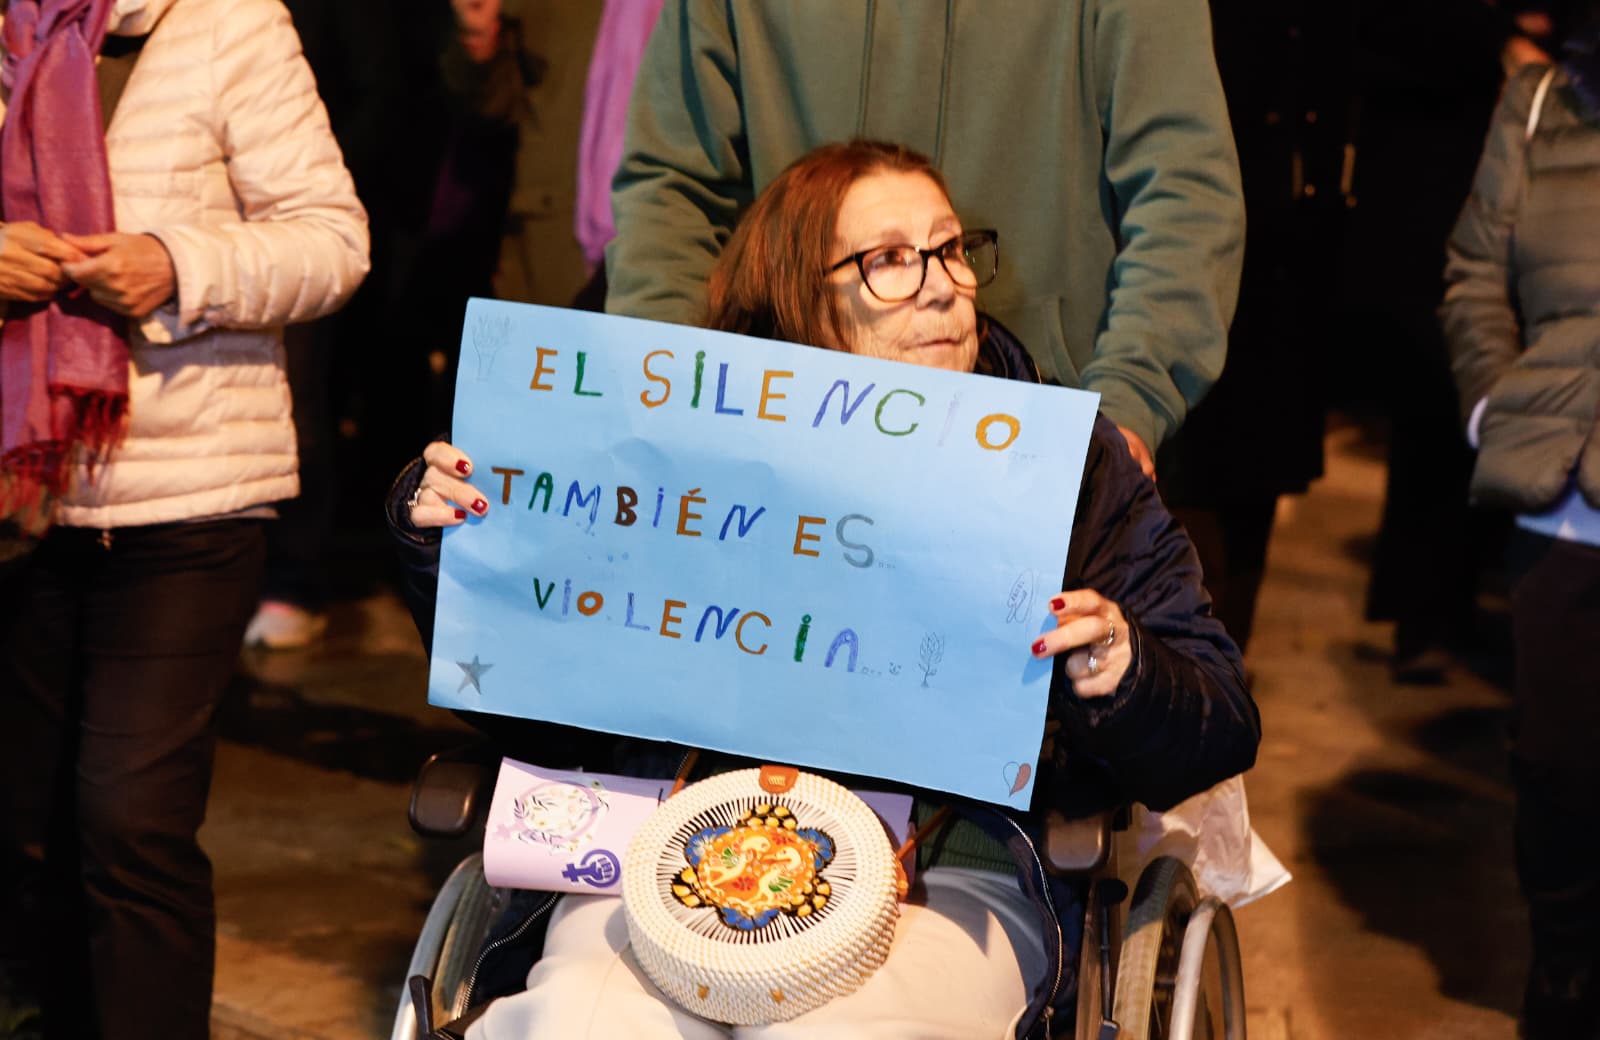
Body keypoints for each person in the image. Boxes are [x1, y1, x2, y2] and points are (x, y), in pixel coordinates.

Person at [387, 140, 1257, 1039]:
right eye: (886, 261)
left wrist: (1122, 671)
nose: (941, 285)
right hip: (675, 852)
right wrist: (456, 551)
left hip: (947, 875)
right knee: (576, 1021)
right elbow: (545, 715)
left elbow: (1218, 720)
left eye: (951, 249)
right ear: (800, 293)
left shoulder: (1067, 468)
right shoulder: (680, 449)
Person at [0, 0, 369, 1036]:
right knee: (23, 831)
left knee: (130, 822)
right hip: (18, 499)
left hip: (187, 496)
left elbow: (332, 241)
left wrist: (178, 261)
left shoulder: (228, 23)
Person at [603, 0, 1245, 478]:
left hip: (1038, 443)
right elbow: (674, 183)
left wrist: (1128, 401)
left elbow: (1183, 191)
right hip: (785, 438)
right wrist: (668, 383)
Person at [1440, 11, 1600, 1034]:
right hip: (1563, 509)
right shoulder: (1538, 103)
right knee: (1557, 773)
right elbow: (1473, 276)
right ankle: (1566, 976)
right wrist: (1497, 410)